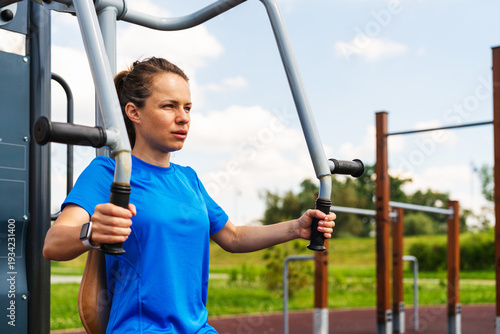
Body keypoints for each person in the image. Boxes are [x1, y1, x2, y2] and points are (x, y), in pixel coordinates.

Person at [43, 57, 336, 333]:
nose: (183, 118)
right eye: (169, 106)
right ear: (134, 113)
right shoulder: (110, 172)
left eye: (188, 108)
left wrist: (296, 227)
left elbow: (232, 237)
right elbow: (53, 243)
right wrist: (92, 232)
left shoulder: (189, 179)